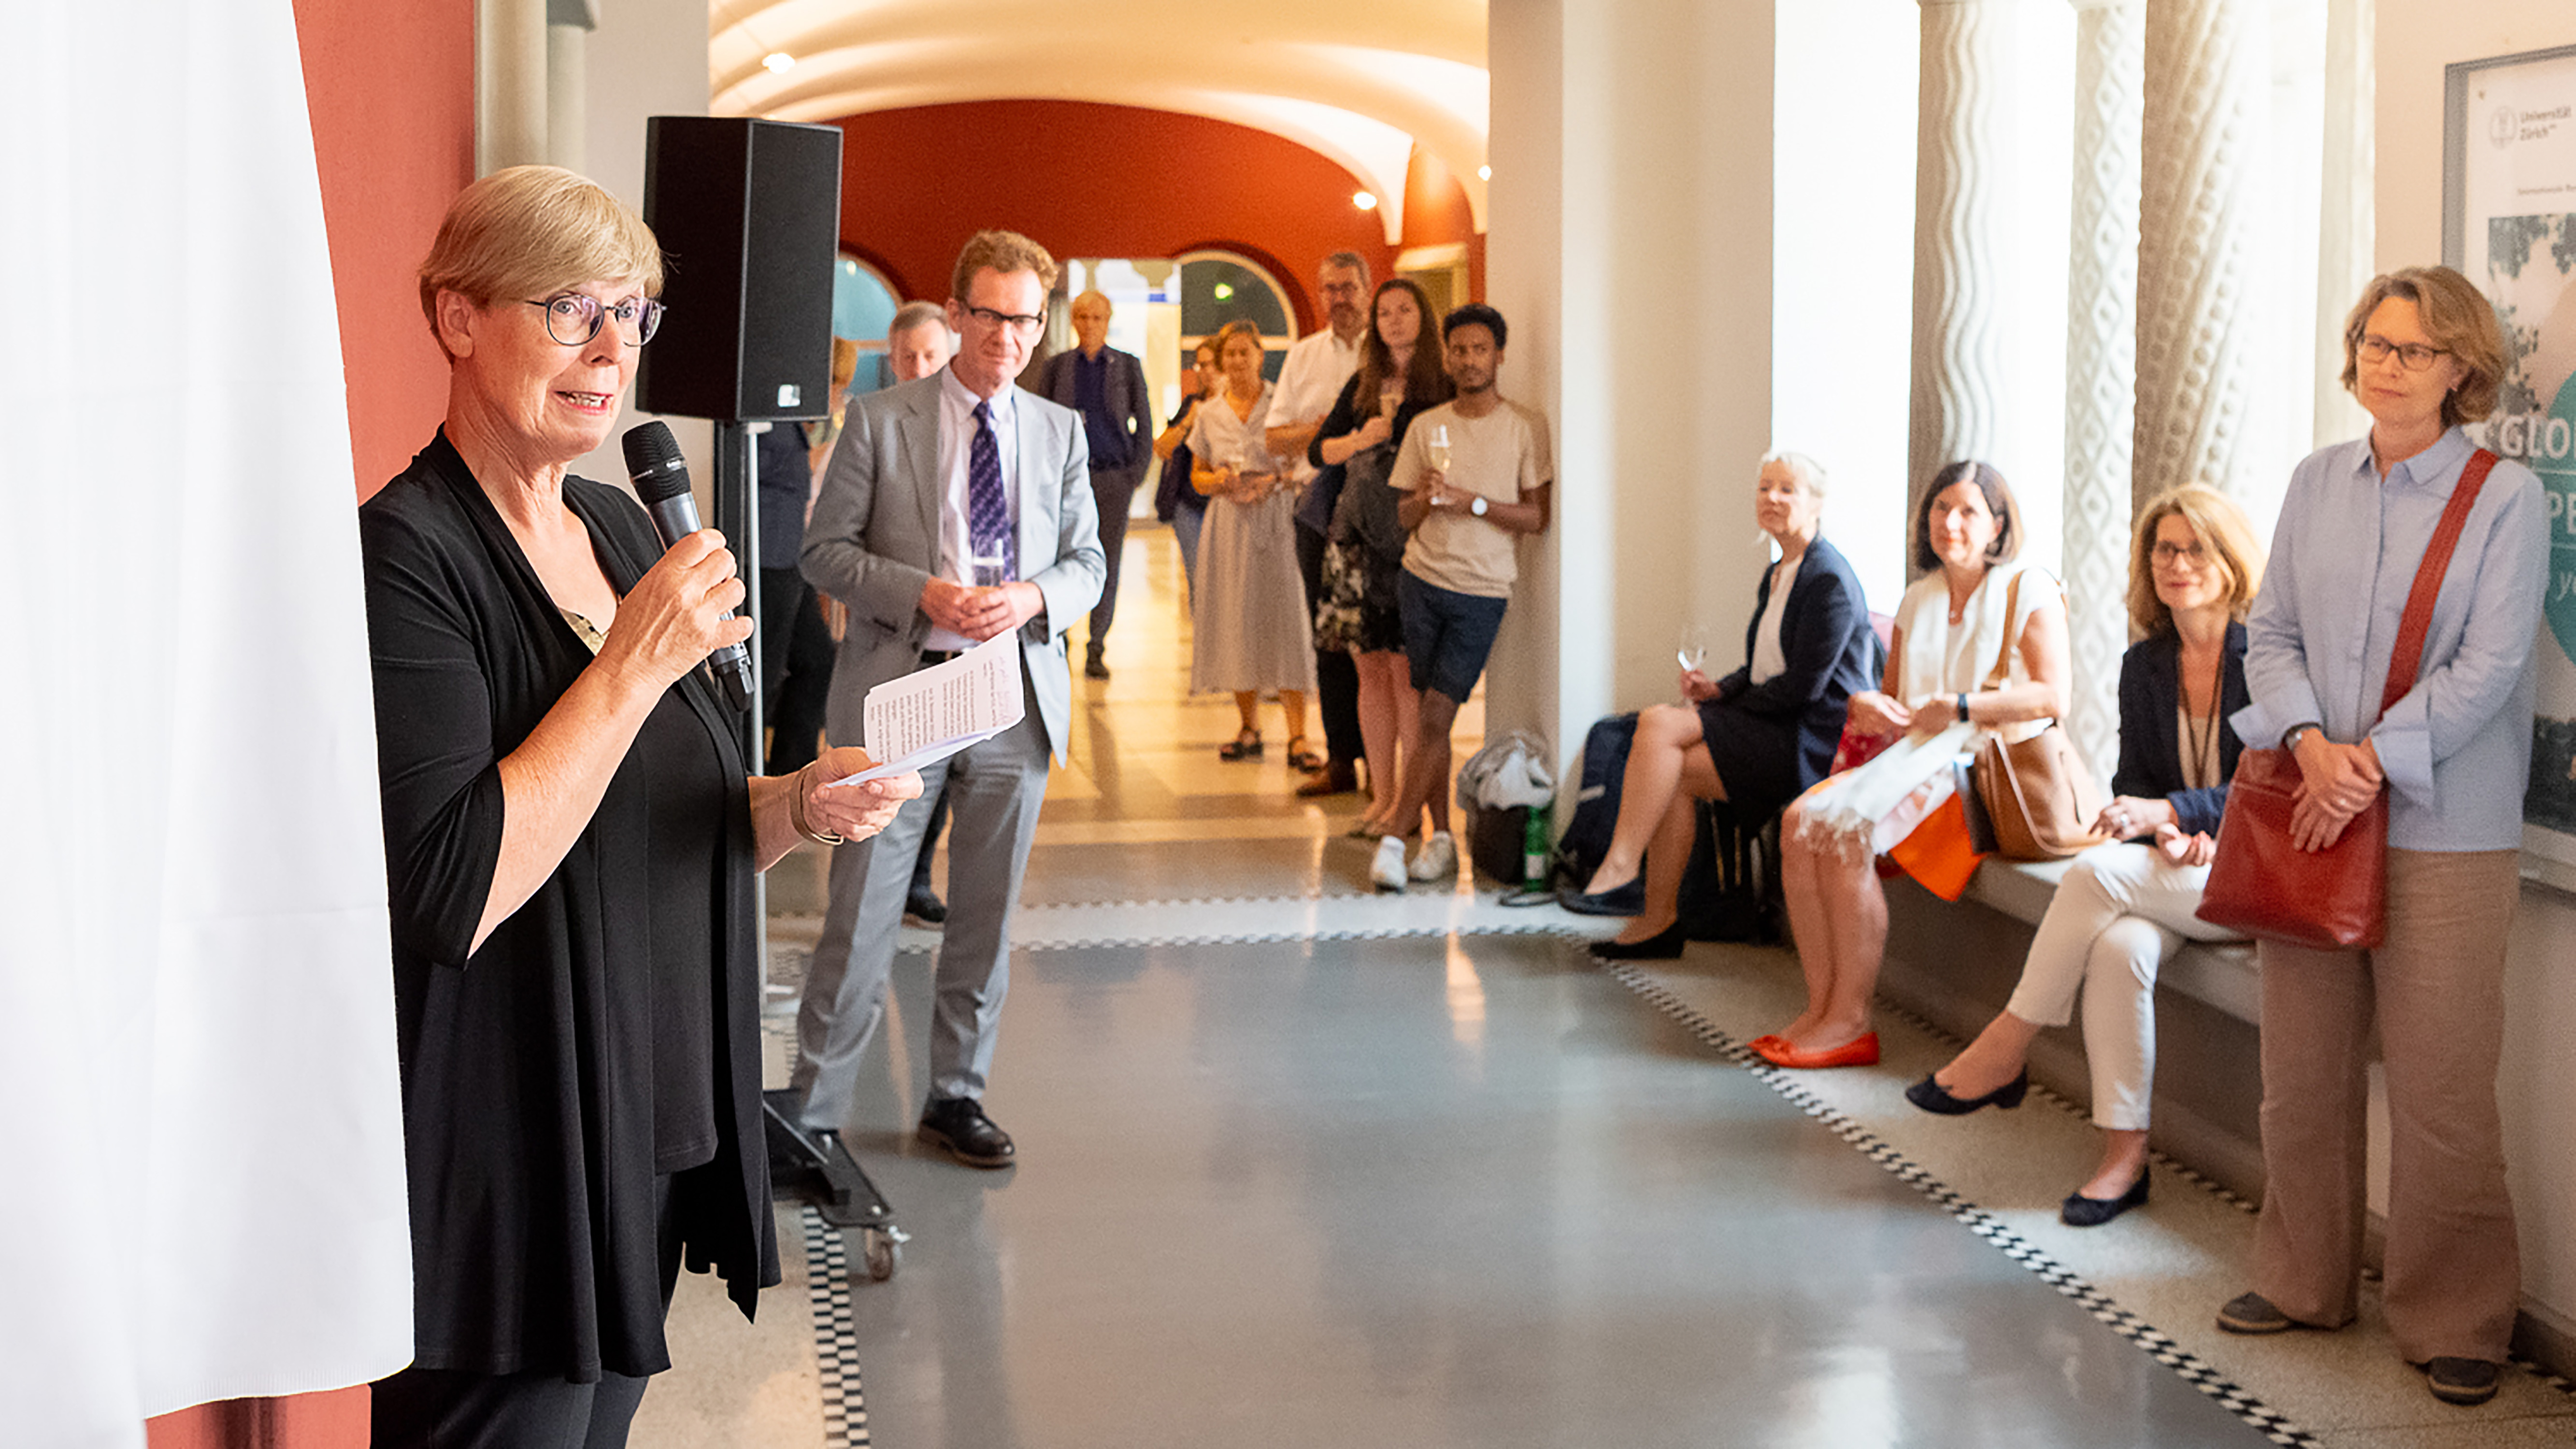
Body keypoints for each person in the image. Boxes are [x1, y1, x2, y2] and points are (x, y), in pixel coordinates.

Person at [359, 164, 915, 1445]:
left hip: (644, 1126)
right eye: (569, 310)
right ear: (455, 317)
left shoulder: (616, 525)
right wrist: (632, 661)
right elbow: (456, 886)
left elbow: (677, 819)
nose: (612, 352)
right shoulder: (406, 558)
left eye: (633, 313)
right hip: (512, 1155)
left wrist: (794, 804)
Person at [2212, 266, 2544, 1409]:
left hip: (2446, 832)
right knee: (2297, 1075)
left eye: (2409, 347)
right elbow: (2270, 635)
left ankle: (2454, 1315)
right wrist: (2309, 744)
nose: (2382, 361)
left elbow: (2489, 665)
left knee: (2441, 1088)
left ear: (2458, 368)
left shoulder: (2504, 498)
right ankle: (2303, 1279)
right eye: (2369, 340)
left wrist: (2362, 766)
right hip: (2308, 808)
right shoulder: (2313, 481)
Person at [794, 229, 1106, 1169]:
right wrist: (920, 592)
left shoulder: (1059, 431)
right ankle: (809, 1113)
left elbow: (1089, 564)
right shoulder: (881, 417)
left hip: (1013, 699)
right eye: (991, 315)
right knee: (861, 913)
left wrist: (1032, 597)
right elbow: (823, 552)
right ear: (958, 311)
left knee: (984, 913)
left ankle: (955, 1096)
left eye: (1025, 318)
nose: (1008, 336)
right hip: (902, 693)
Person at [1904, 484, 2263, 1227]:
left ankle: (2007, 1045)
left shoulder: (2265, 660)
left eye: (2196, 548)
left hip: (2252, 875)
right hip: (2178, 875)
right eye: (2165, 548)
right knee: (2119, 949)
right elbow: (2134, 786)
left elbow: (2265, 792)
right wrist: (2162, 830)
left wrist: (2180, 813)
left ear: (2229, 562)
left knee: (2096, 871)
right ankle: (2123, 1160)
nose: (2178, 563)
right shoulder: (2146, 665)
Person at [1754, 460, 2070, 1068]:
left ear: (1998, 525)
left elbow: (2053, 697)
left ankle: (1850, 1019)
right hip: (1916, 757)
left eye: (1968, 510)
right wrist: (1873, 704)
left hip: (1982, 767)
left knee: (1848, 833)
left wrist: (1958, 706)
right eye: (1939, 508)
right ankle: (1820, 1009)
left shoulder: (2028, 588)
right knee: (1798, 823)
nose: (1950, 522)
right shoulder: (1918, 597)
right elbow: (1896, 697)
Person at [1568, 452, 1875, 940]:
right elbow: (1762, 670)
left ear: (1816, 504)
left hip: (1809, 739)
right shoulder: (1778, 573)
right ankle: (1656, 920)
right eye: (1764, 488)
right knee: (1672, 773)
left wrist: (1723, 707)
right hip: (1775, 725)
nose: (1771, 498)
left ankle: (1621, 867)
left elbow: (1804, 688)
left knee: (1660, 723)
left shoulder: (1829, 580)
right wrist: (1719, 690)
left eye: (1786, 489)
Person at [1371, 303, 1554, 891]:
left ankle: (1396, 839)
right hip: (1421, 579)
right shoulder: (1427, 426)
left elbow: (1536, 516)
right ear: (1446, 356)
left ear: (1499, 356)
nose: (1469, 360)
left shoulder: (1524, 426)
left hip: (1482, 590)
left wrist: (1473, 501)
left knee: (1435, 713)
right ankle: (1441, 838)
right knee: (1430, 717)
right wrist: (1427, 499)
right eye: (1459, 350)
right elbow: (1400, 514)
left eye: (1480, 349)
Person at [1308, 278, 1454, 838]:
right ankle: (1383, 795)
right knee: (1366, 668)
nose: (1394, 320)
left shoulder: (1440, 386)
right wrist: (1361, 438)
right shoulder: (1362, 384)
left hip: (1414, 540)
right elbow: (1320, 450)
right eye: (1385, 313)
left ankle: (1409, 805)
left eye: (1404, 310)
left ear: (1423, 317)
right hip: (1356, 539)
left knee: (1404, 673)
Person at [1189, 317, 1317, 760]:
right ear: (1222, 361)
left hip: (1278, 518)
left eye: (1246, 352)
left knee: (1287, 617)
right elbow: (1197, 475)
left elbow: (1302, 459)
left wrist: (1277, 480)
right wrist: (1219, 481)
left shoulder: (1282, 405)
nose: (1238, 361)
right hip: (1230, 524)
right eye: (1231, 354)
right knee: (1237, 617)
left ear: (1261, 356)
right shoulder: (1209, 412)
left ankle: (1299, 733)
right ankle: (1248, 726)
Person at [1269, 252, 1372, 791]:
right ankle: (1340, 761)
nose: (1339, 298)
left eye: (1348, 287)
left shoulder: (1386, 355)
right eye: (1329, 288)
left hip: (1378, 514)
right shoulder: (1304, 356)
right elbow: (1273, 437)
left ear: (1367, 289)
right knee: (1327, 636)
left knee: (1378, 641)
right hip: (1318, 513)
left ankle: (1382, 763)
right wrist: (1322, 430)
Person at [880, 299, 962, 924]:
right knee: (894, 770)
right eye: (908, 357)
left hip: (964, 638)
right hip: (891, 632)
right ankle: (885, 881)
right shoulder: (871, 426)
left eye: (931, 355)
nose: (919, 367)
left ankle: (920, 878)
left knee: (949, 769)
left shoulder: (971, 429)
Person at [1036, 289, 1154, 679]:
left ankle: (1097, 646)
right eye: (1083, 317)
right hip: (1067, 482)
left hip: (1112, 477)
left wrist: (1135, 472)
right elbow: (1040, 422)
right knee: (1063, 558)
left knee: (1109, 562)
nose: (1089, 325)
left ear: (1108, 321)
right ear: (1073, 321)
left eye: (1097, 318)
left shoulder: (1127, 366)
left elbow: (1145, 422)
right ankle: (1063, 637)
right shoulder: (1057, 368)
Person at [755, 414, 834, 773]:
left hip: (790, 559)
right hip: (768, 562)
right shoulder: (764, 419)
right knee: (762, 677)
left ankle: (791, 773)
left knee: (817, 661)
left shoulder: (788, 424)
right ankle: (746, 773)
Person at [1153, 338, 1220, 588]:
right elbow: (1162, 447)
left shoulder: (1238, 406)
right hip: (1190, 505)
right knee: (1199, 580)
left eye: (1213, 364)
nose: (1207, 372)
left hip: (1225, 501)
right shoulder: (1192, 404)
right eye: (1201, 366)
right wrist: (1189, 421)